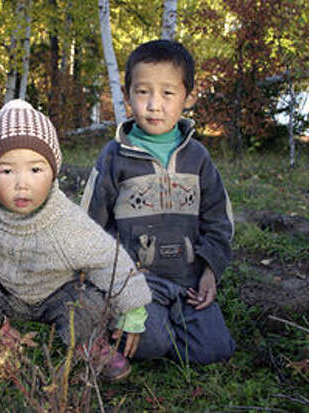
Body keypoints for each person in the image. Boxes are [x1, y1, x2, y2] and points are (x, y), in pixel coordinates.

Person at [0, 99, 152, 381]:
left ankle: (89, 345)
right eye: (7, 171)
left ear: (53, 171)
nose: (22, 182)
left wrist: (133, 307)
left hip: (57, 294)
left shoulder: (65, 218)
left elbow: (107, 258)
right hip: (2, 291)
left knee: (87, 303)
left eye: (35, 170)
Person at [81, 39, 235, 364]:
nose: (154, 105)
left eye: (167, 93)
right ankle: (124, 322)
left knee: (216, 350)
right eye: (142, 92)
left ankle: (168, 324)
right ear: (127, 96)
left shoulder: (199, 159)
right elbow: (89, 226)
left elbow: (219, 222)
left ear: (187, 97)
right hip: (135, 282)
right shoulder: (114, 157)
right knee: (151, 344)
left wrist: (209, 272)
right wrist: (111, 282)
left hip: (187, 283)